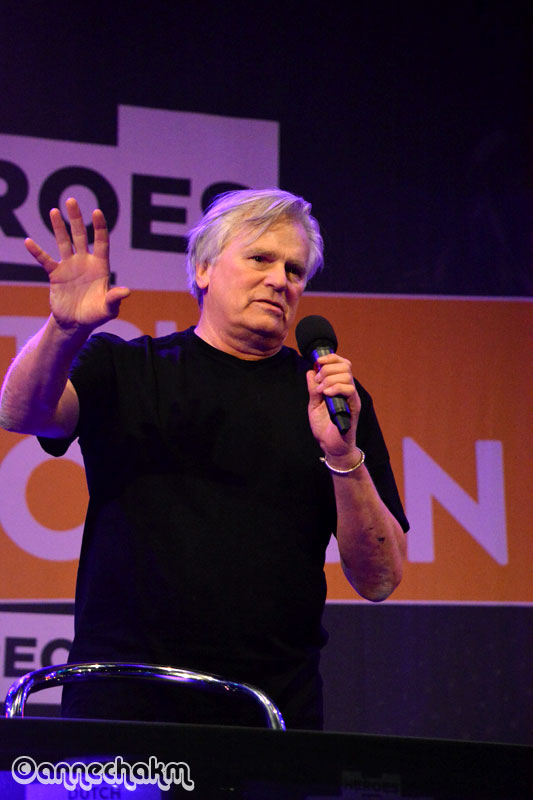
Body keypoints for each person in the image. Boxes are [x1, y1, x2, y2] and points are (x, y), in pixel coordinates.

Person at [0, 189, 408, 729]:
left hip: (269, 714)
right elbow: (21, 413)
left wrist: (343, 453)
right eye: (260, 258)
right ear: (203, 269)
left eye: (294, 269)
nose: (280, 280)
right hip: (122, 705)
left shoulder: (332, 403)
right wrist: (64, 329)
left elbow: (380, 579)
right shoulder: (127, 368)